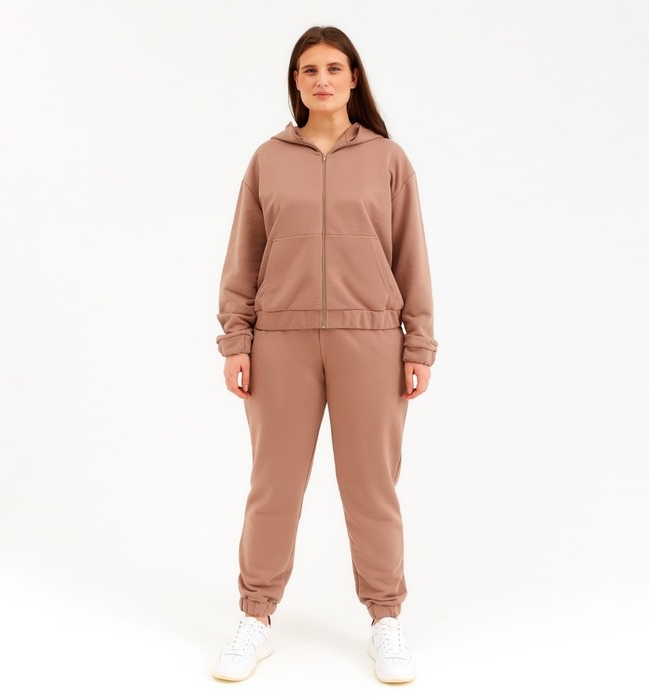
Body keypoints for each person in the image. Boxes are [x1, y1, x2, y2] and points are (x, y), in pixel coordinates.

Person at [212, 25, 437, 684]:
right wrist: (236, 339)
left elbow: (411, 256)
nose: (322, 79)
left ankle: (385, 619)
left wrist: (418, 342)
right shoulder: (268, 159)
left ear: (353, 77)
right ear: (296, 80)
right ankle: (256, 617)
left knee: (371, 488)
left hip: (371, 339)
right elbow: (243, 256)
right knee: (273, 486)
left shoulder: (388, 160)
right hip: (279, 342)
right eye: (309, 69)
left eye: (334, 68)